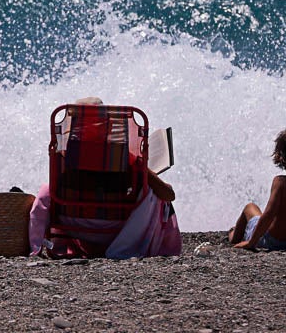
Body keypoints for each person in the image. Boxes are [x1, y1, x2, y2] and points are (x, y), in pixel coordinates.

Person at [28, 97, 180, 258]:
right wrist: (145, 171)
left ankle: (36, 246)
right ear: (108, 126)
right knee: (153, 194)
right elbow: (168, 195)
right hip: (117, 225)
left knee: (47, 188)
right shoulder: (121, 157)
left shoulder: (63, 158)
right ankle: (165, 250)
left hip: (71, 221)